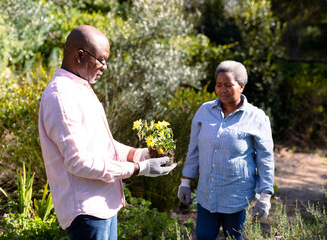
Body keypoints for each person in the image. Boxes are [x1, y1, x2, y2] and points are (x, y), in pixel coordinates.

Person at [38, 25, 176, 240]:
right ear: (80, 56)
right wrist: (139, 168)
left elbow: (101, 144)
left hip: (103, 206)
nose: (105, 67)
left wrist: (139, 155)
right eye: (101, 60)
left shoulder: (80, 87)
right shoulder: (61, 96)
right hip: (87, 212)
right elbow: (79, 162)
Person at [177, 60, 274, 240]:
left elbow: (265, 158)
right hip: (207, 195)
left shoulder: (256, 117)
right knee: (204, 236)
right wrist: (185, 181)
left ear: (242, 87)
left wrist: (265, 195)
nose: (222, 90)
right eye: (219, 85)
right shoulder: (204, 111)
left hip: (237, 197)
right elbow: (194, 150)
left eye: (228, 85)